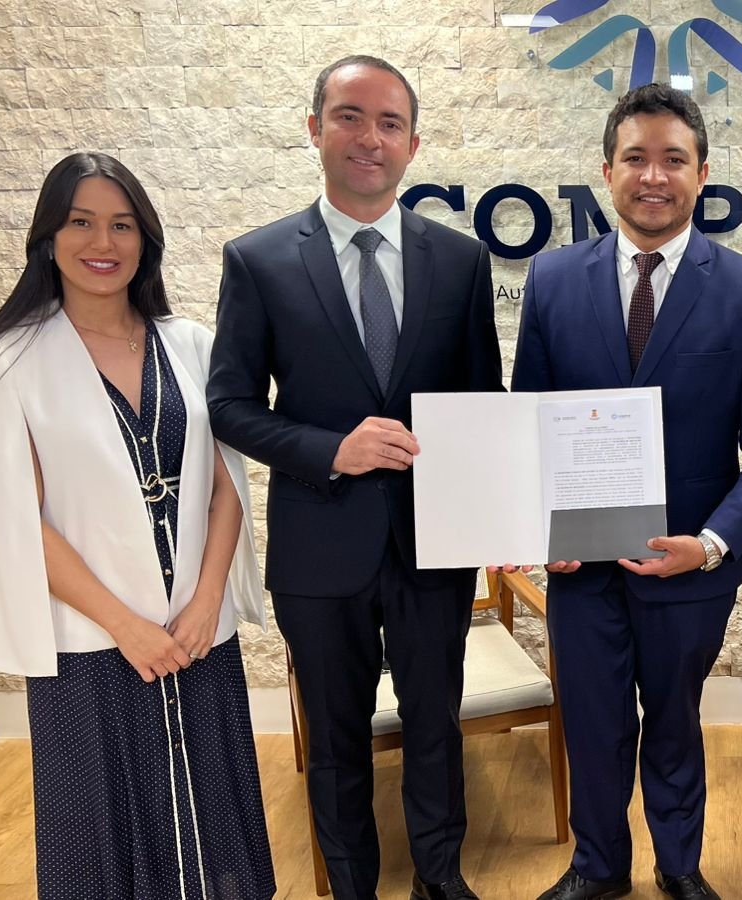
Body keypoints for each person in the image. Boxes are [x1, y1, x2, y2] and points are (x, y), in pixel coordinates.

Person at [207, 56, 501, 900]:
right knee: (335, 741)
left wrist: (502, 517)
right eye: (349, 117)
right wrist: (331, 448)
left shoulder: (460, 260)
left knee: (436, 728)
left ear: (413, 144)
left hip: (433, 543)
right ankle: (352, 887)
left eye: (389, 123)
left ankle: (441, 879)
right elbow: (228, 406)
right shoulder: (259, 260)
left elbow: (483, 403)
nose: (370, 138)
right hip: (318, 547)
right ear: (314, 128)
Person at [509, 83, 742, 900]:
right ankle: (597, 868)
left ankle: (679, 868)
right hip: (581, 570)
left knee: (674, 724)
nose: (653, 176)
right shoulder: (552, 279)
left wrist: (710, 544)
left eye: (673, 159)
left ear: (702, 173)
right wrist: (539, 532)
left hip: (690, 566)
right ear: (606, 170)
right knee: (593, 724)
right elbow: (529, 424)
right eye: (635, 157)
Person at [0, 151, 274, 900]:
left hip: (197, 631)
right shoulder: (14, 356)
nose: (102, 242)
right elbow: (20, 518)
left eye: (121, 225)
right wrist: (126, 626)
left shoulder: (191, 344)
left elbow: (226, 487)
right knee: (102, 838)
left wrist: (207, 601)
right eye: (80, 223)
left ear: (145, 240)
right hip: (90, 640)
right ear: (49, 238)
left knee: (213, 822)